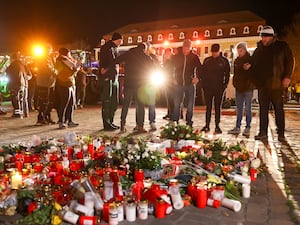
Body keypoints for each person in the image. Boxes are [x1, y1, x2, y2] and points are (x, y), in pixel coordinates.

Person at [250, 25, 294, 142]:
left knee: (278, 109)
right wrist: (249, 69)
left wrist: (287, 77)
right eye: (262, 37)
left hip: (276, 84)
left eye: (266, 37)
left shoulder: (282, 46)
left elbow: (290, 61)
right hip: (262, 85)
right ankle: (263, 132)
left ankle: (281, 133)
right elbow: (253, 64)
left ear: (272, 36)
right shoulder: (258, 50)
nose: (263, 39)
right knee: (263, 110)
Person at [116, 43, 154, 133]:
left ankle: (122, 123)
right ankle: (140, 125)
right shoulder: (146, 57)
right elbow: (152, 67)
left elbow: (117, 60)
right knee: (140, 106)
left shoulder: (129, 54)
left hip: (128, 84)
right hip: (140, 85)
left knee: (126, 105)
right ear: (144, 49)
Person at [200, 43, 230, 134]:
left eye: (216, 52)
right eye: (212, 52)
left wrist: (224, 85)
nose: (214, 54)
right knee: (208, 107)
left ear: (219, 51)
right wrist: (203, 85)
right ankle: (207, 125)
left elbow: (227, 74)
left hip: (219, 88)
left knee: (218, 107)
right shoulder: (207, 60)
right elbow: (202, 72)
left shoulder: (224, 61)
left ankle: (217, 125)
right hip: (208, 88)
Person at [171, 39, 201, 127]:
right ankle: (175, 120)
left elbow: (199, 68)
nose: (185, 51)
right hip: (178, 83)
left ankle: (189, 121)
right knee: (177, 103)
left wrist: (197, 77)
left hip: (190, 83)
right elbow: (171, 68)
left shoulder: (194, 57)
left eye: (187, 49)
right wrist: (173, 78)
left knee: (190, 104)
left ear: (190, 48)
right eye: (184, 48)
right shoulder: (177, 56)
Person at [228, 42, 254, 137]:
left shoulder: (251, 59)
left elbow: (254, 72)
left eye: (241, 51)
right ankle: (237, 127)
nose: (239, 53)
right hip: (239, 87)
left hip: (247, 87)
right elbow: (236, 73)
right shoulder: (237, 60)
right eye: (238, 51)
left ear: (245, 50)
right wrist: (235, 83)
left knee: (248, 108)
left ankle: (247, 127)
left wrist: (249, 68)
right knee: (239, 109)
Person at [99, 32, 123, 131]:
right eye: (121, 40)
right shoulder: (106, 48)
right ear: (117, 40)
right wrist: (105, 69)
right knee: (107, 101)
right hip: (108, 77)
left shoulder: (115, 48)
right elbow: (108, 61)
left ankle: (111, 121)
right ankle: (107, 123)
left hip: (114, 76)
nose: (121, 43)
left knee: (114, 101)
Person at [55, 48, 79, 129]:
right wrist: (76, 67)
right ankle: (62, 121)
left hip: (69, 83)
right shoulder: (62, 59)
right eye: (69, 53)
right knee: (64, 103)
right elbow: (71, 68)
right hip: (64, 83)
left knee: (71, 103)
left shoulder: (63, 60)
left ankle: (69, 120)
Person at [34, 46, 57, 125]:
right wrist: (56, 73)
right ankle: (41, 118)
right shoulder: (43, 58)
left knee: (49, 102)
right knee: (44, 102)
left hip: (49, 83)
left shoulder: (49, 58)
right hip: (44, 83)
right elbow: (48, 68)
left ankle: (47, 117)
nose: (50, 51)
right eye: (48, 50)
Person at [5, 51, 26, 118]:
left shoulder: (13, 64)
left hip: (15, 84)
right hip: (22, 84)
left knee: (15, 99)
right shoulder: (21, 64)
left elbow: (8, 72)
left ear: (13, 58)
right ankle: (21, 112)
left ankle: (17, 114)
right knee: (20, 99)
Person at [162, 48, 175, 120]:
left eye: (167, 53)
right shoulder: (166, 61)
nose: (166, 55)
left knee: (173, 98)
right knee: (169, 97)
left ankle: (174, 113)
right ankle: (170, 113)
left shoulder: (174, 60)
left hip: (173, 81)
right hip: (167, 81)